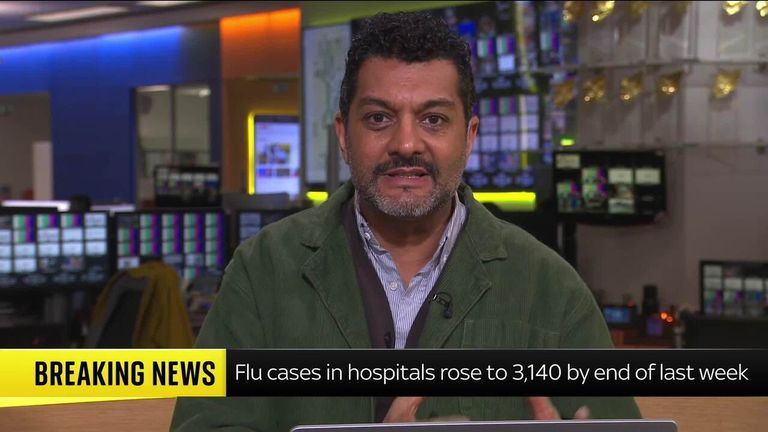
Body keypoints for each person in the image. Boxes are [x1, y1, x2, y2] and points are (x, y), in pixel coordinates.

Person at [170, 11, 640, 431]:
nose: (407, 144)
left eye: (433, 119)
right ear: (343, 134)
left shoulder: (550, 288)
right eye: (379, 118)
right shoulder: (263, 270)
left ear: (469, 136)